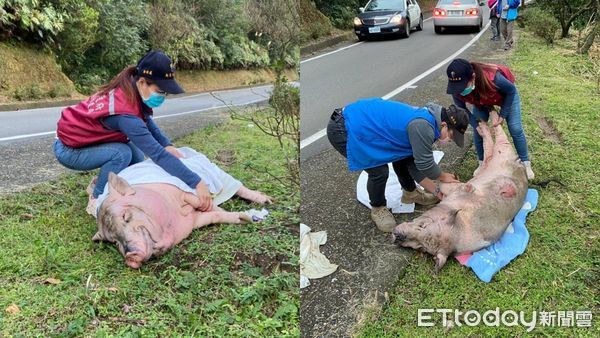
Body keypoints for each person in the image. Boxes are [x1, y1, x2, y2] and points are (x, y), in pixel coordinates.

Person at [54, 50, 213, 217]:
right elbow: (157, 155)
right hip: (69, 150)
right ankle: (97, 197)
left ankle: (101, 184)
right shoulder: (126, 113)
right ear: (143, 82)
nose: (163, 97)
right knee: (121, 154)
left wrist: (167, 145)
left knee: (136, 155)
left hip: (85, 142)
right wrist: (197, 182)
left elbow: (148, 123)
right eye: (160, 91)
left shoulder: (131, 87)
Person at [326, 98, 468, 232]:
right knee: (378, 171)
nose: (450, 140)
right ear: (443, 124)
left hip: (362, 123)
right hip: (344, 128)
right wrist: (442, 177)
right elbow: (425, 164)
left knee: (403, 156)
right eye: (451, 136)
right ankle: (378, 208)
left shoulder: (430, 120)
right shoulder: (423, 126)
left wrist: (438, 193)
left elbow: (413, 163)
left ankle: (410, 194)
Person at [446, 58, 534, 179]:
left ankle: (525, 163)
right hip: (480, 101)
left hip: (505, 97)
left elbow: (511, 91)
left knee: (515, 128)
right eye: (458, 88)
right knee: (479, 133)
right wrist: (476, 125)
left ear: (473, 77)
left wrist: (503, 115)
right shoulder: (456, 89)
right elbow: (462, 109)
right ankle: (482, 163)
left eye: (463, 86)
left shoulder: (494, 78)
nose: (460, 91)